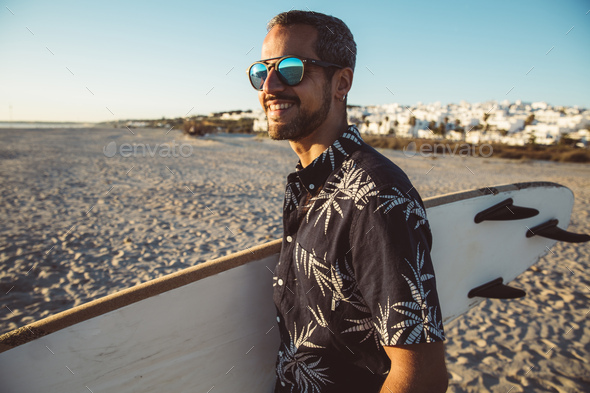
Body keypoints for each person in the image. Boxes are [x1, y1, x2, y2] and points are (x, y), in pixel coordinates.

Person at [247, 10, 448, 393]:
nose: (270, 86)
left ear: (342, 82)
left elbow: (422, 376)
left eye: (291, 68)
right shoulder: (309, 183)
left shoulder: (375, 194)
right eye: (262, 71)